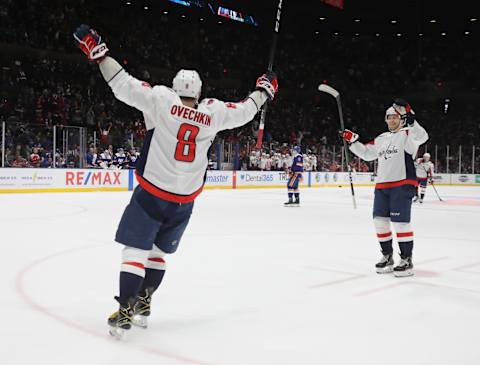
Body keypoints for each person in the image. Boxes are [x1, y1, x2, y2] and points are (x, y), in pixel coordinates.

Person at [73, 24, 278, 338]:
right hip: (184, 200)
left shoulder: (161, 99)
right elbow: (246, 112)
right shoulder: (215, 112)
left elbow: (122, 84)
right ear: (198, 92)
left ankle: (126, 307)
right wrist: (263, 91)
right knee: (158, 253)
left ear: (175, 86)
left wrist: (100, 54)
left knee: (134, 250)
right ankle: (144, 300)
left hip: (152, 192)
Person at [340, 99, 428, 277]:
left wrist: (411, 119)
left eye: (395, 117)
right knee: (380, 222)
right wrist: (352, 142)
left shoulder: (409, 134)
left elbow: (423, 137)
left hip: (402, 184)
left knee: (401, 222)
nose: (391, 120)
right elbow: (366, 153)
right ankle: (387, 256)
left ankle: (406, 259)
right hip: (382, 186)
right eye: (389, 117)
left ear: (401, 119)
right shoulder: (381, 139)